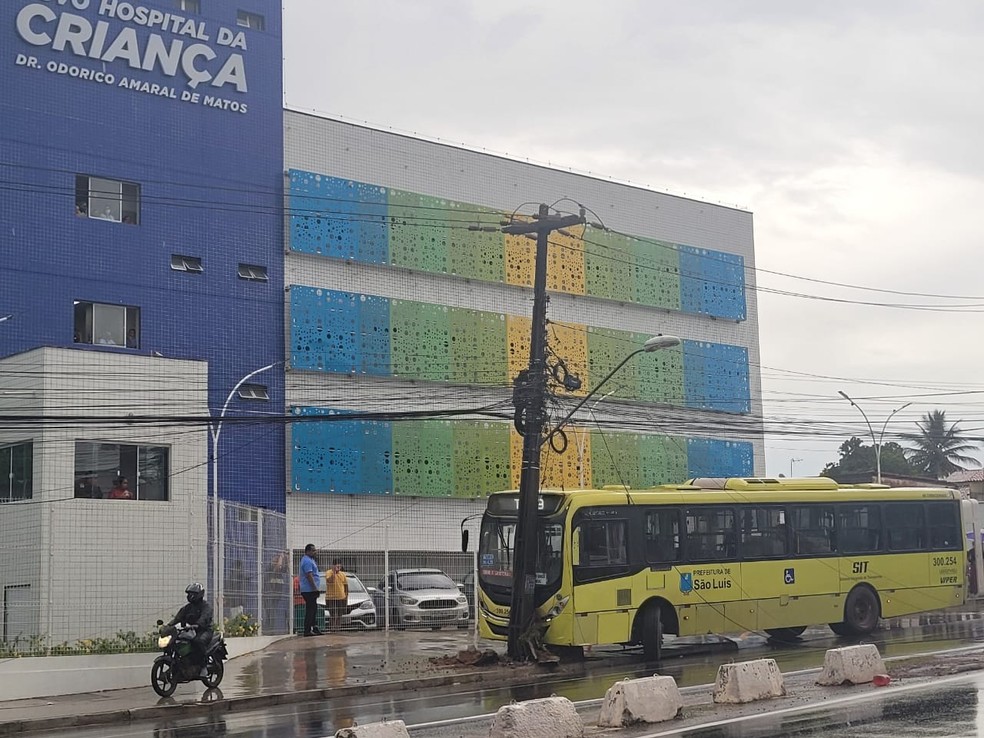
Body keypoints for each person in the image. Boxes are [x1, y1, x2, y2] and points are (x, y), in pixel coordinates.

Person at [166, 582, 214, 677]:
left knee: (198, 641)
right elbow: (177, 618)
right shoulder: (187, 608)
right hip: (190, 630)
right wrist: (168, 626)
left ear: (199, 594)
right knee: (177, 641)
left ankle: (203, 666)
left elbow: (204, 617)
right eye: (188, 594)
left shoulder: (206, 606)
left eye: (192, 594)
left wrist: (197, 625)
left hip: (204, 630)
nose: (190, 596)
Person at [299, 544, 322, 636]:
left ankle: (314, 627)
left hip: (310, 589)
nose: (314, 552)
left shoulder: (311, 560)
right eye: (313, 550)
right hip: (309, 590)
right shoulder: (307, 561)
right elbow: (309, 575)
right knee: (310, 609)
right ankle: (307, 630)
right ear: (307, 551)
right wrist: (314, 588)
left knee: (314, 608)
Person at [264, 551, 289, 634]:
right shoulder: (270, 567)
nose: (277, 560)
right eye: (275, 559)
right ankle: (269, 630)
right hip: (270, 593)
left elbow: (286, 568)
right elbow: (278, 567)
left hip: (278, 593)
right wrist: (281, 557)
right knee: (270, 612)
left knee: (273, 612)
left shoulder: (281, 568)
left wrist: (286, 557)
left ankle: (271, 629)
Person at [324, 559, 348, 632]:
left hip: (341, 597)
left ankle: (338, 629)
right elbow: (330, 581)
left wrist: (346, 596)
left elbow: (346, 586)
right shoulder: (329, 572)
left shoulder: (343, 574)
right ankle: (332, 629)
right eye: (337, 565)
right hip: (331, 597)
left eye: (339, 566)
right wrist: (334, 572)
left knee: (339, 615)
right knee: (333, 615)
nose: (338, 567)